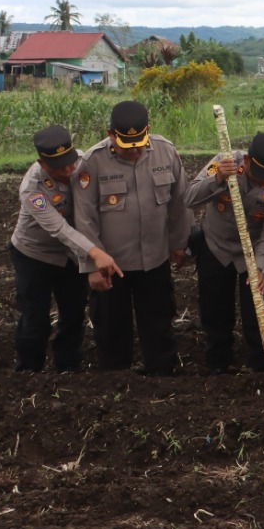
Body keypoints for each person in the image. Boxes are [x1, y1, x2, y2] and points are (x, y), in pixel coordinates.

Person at [72, 101, 190, 374]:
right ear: (111, 134)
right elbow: (84, 218)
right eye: (127, 145)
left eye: (139, 142)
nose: (135, 150)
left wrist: (179, 243)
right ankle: (115, 378)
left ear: (148, 131)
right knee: (111, 325)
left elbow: (180, 203)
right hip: (111, 263)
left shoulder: (166, 152)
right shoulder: (92, 162)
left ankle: (162, 374)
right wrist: (91, 265)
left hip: (155, 257)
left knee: (159, 320)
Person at [10, 126, 123, 371]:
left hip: (73, 255)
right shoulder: (32, 189)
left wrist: (89, 258)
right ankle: (28, 370)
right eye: (61, 167)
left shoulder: (82, 162)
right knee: (35, 318)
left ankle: (67, 367)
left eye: (70, 163)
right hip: (35, 254)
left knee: (73, 314)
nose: (69, 170)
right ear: (42, 162)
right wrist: (95, 254)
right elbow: (60, 229)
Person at [183, 133, 264, 373]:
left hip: (251, 254)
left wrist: (260, 269)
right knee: (215, 310)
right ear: (248, 160)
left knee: (257, 311)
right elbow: (190, 198)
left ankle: (260, 365)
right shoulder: (224, 162)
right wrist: (218, 177)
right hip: (215, 245)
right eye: (259, 175)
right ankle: (218, 364)